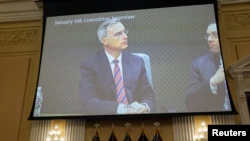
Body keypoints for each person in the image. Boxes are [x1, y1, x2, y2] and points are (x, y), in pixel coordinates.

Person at [79, 18, 155, 115]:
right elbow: (88, 102)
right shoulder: (90, 64)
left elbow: (148, 96)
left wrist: (144, 107)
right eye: (118, 34)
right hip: (106, 121)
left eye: (124, 32)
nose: (125, 36)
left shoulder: (137, 62)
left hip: (136, 118)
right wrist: (123, 108)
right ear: (105, 41)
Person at [185, 22, 231, 112]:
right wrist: (212, 82)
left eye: (215, 35)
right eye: (208, 35)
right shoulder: (199, 64)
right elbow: (189, 102)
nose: (209, 39)